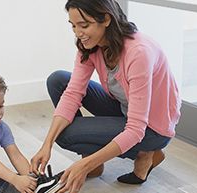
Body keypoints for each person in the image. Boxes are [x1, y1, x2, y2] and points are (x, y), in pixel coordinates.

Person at [30, 0, 181, 192]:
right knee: (58, 80)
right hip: (123, 107)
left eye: (84, 25)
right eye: (73, 26)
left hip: (152, 127)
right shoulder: (90, 45)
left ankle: (146, 153)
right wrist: (46, 145)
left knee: (67, 135)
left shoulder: (139, 53)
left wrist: (83, 167)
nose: (78, 33)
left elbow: (135, 129)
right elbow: (72, 93)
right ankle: (92, 160)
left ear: (106, 19)